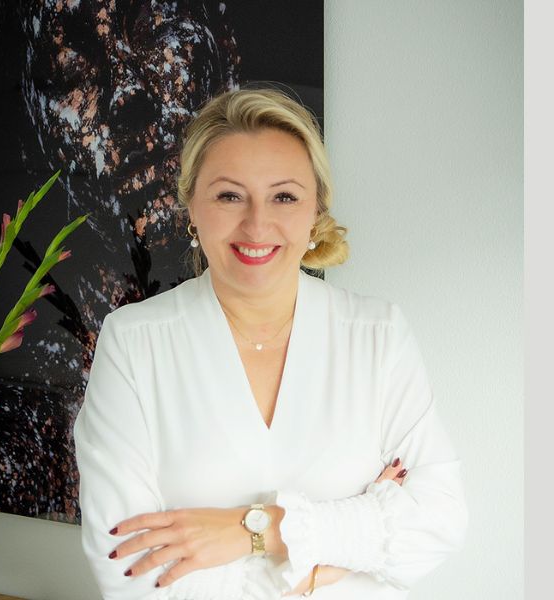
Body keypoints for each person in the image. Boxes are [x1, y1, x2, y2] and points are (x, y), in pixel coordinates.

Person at [73, 88, 468, 599]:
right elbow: (130, 572)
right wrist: (336, 557)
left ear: (315, 210)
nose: (257, 224)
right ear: (191, 206)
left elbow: (438, 522)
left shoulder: (378, 335)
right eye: (229, 195)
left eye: (284, 196)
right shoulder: (133, 343)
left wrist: (255, 531)